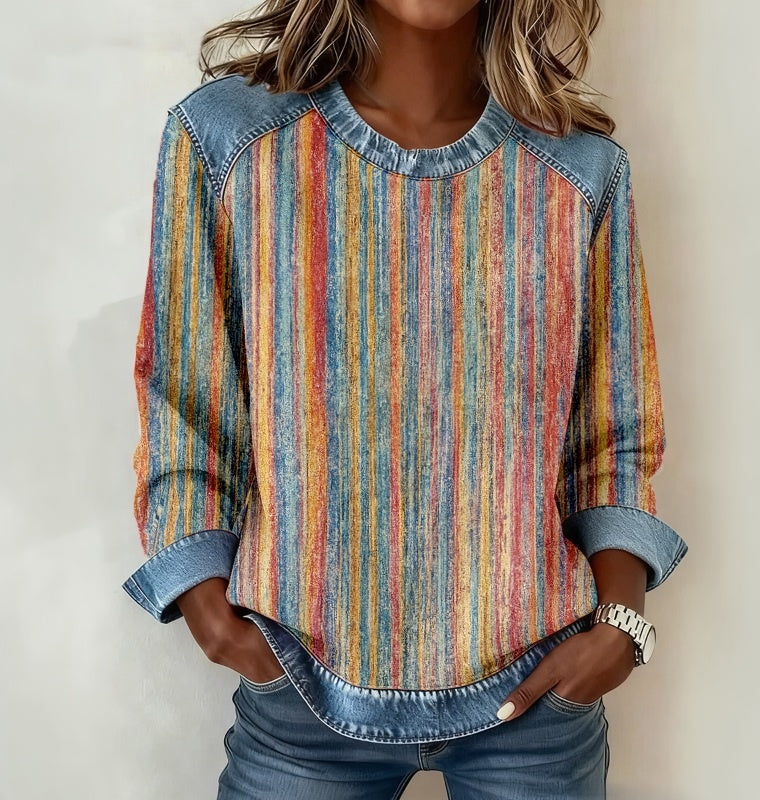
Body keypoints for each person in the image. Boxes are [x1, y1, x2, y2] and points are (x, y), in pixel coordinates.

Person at [122, 1, 688, 797]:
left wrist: (619, 628)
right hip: (299, 694)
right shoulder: (229, 142)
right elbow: (184, 403)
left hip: (538, 700)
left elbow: (612, 438)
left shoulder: (579, 170)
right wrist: (207, 609)